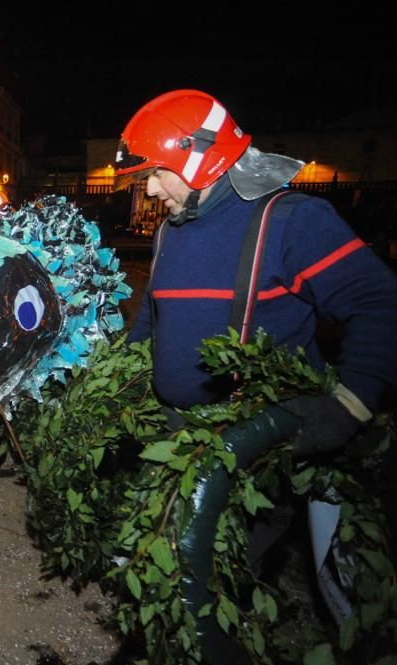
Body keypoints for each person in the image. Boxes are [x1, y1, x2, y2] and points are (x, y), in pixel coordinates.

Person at [116, 91, 397, 595]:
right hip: (179, 441)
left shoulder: (292, 220)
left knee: (210, 585)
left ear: (200, 158)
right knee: (160, 576)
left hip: (251, 454)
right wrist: (123, 376)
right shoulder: (169, 233)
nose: (150, 188)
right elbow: (153, 321)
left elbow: (379, 303)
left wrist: (349, 405)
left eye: (157, 172)